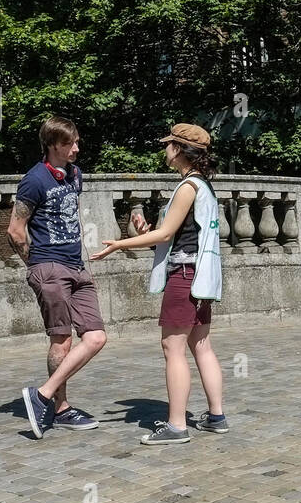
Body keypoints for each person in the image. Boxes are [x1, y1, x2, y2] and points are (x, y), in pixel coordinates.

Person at [90, 123, 227, 445]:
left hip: (184, 277)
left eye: (169, 145)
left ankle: (177, 425)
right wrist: (143, 232)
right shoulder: (203, 185)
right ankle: (216, 415)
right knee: (201, 346)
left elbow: (166, 235)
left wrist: (120, 245)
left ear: (180, 149)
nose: (165, 149)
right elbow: (175, 235)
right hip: (202, 277)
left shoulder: (187, 187)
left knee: (172, 348)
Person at [8, 116, 108, 439]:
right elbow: (15, 231)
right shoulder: (34, 181)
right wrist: (35, 265)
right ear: (53, 145)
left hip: (77, 266)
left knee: (96, 337)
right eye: (70, 143)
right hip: (49, 266)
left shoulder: (75, 175)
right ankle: (61, 408)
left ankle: (41, 396)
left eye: (77, 141)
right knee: (61, 340)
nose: (77, 148)